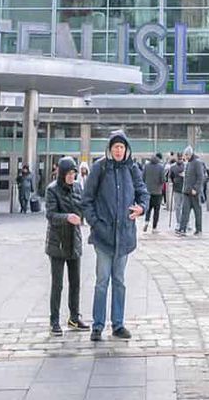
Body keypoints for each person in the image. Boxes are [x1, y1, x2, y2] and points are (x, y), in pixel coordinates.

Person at [81, 130, 149, 342]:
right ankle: (98, 325)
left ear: (126, 149)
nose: (118, 151)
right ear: (110, 149)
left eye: (122, 147)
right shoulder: (100, 168)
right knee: (102, 281)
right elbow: (87, 199)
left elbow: (143, 193)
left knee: (119, 280)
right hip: (104, 236)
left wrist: (141, 208)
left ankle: (118, 324)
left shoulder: (132, 168)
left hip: (125, 235)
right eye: (115, 147)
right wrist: (96, 223)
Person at [44, 157, 89, 335]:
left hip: (74, 240)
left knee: (75, 282)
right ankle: (54, 320)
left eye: (74, 173)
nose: (72, 177)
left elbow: (82, 206)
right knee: (57, 284)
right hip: (58, 241)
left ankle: (74, 317)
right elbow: (50, 214)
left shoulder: (78, 187)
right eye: (69, 173)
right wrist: (67, 217)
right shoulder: (52, 190)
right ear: (62, 174)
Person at [177, 146, 207, 236]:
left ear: (190, 154)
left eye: (186, 155)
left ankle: (199, 229)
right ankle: (182, 229)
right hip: (186, 191)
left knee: (197, 211)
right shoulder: (188, 163)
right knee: (184, 211)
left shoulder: (197, 163)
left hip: (194, 192)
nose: (185, 157)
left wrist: (196, 189)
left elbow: (200, 177)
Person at [143, 152, 166, 233]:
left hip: (147, 191)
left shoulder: (146, 166)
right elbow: (163, 180)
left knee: (148, 209)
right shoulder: (160, 167)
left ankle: (146, 222)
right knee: (156, 211)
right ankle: (154, 228)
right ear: (160, 158)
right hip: (157, 192)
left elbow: (143, 177)